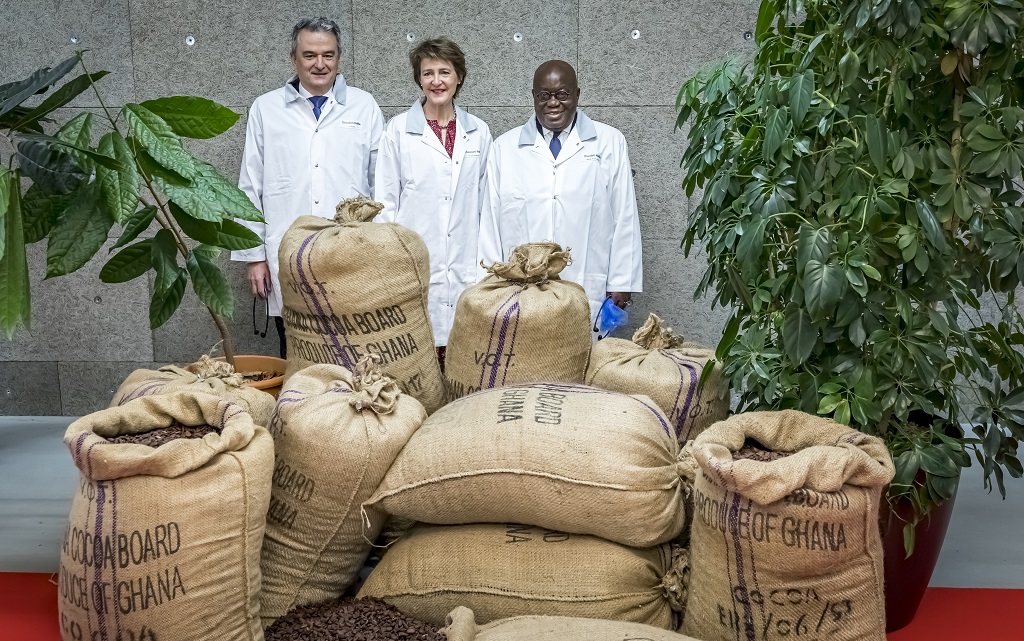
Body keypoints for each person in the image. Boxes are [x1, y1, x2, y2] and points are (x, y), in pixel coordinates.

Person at [231, 17, 385, 358]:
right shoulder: (266, 109)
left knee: (351, 344)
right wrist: (254, 257)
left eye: (328, 55)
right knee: (295, 345)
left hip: (348, 250)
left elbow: (381, 184)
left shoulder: (364, 106)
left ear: (339, 58)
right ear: (293, 58)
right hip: (287, 251)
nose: (320, 64)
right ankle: (298, 409)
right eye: (310, 55)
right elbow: (249, 186)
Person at [479, 59, 643, 326]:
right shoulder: (504, 148)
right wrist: (490, 284)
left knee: (585, 361)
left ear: (577, 95)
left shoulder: (610, 142)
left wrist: (622, 282)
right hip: (521, 289)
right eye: (544, 95)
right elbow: (489, 223)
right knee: (528, 361)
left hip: (587, 281)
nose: (553, 102)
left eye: (562, 94)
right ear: (533, 97)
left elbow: (625, 216)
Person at [375, 38, 492, 365]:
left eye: (445, 72)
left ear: (459, 78)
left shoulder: (479, 133)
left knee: (464, 355)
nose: (436, 81)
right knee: (417, 353)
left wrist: (486, 263)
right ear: (419, 80)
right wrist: (390, 262)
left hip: (466, 260)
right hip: (415, 260)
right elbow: (384, 203)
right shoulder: (397, 130)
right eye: (428, 73)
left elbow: (487, 203)